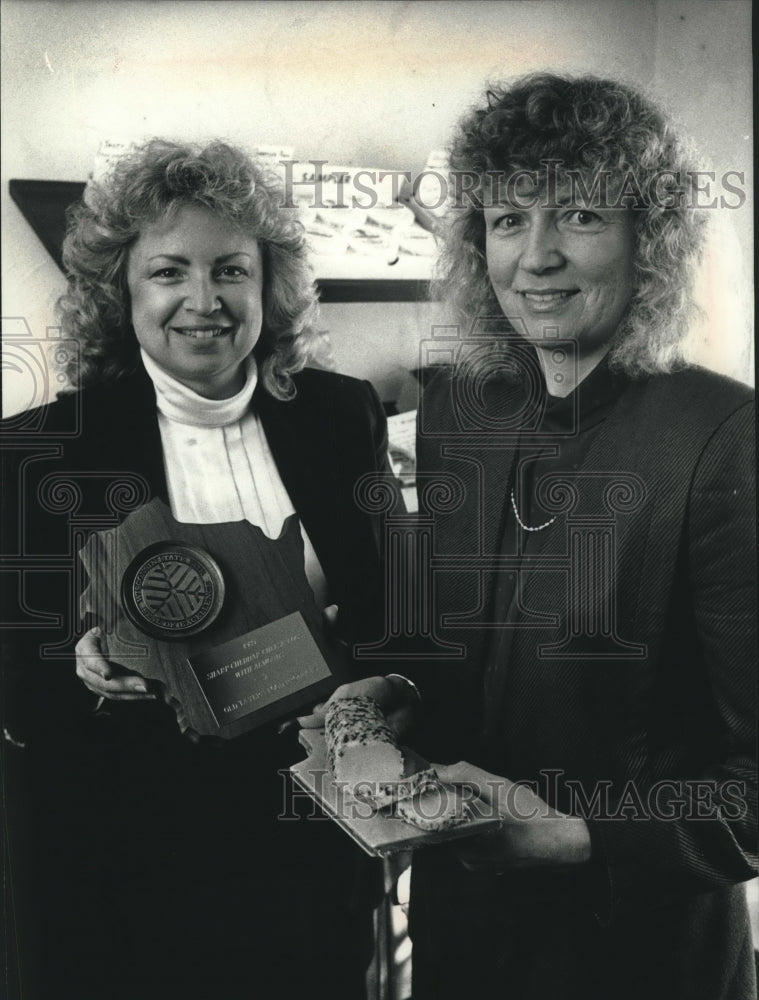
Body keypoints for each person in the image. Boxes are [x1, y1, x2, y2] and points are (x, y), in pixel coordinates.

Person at [308, 73, 757, 999]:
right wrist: (399, 691)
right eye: (507, 220)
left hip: (635, 946)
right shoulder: (459, 408)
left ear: (651, 240)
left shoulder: (722, 437)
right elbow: (457, 657)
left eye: (581, 216)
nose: (536, 257)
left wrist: (587, 836)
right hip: (462, 929)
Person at [1, 139, 392, 999]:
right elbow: (21, 695)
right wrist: (78, 660)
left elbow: (390, 612)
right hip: (133, 851)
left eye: (231, 271)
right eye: (169, 272)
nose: (203, 301)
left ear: (268, 285)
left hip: (308, 835)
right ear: (124, 290)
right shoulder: (41, 450)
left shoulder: (338, 413)